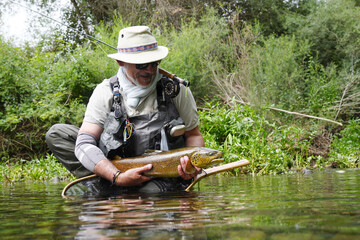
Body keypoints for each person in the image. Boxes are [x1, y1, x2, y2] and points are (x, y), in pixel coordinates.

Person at [46, 26, 205, 192]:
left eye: (154, 63)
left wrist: (191, 168)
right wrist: (117, 176)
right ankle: (107, 180)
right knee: (58, 134)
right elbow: (84, 142)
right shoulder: (105, 91)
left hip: (159, 175)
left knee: (149, 197)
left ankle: (114, 189)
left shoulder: (176, 90)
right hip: (114, 168)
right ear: (120, 62)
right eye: (142, 65)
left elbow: (193, 135)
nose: (150, 70)